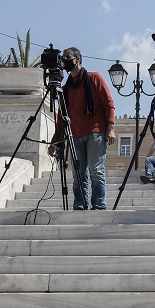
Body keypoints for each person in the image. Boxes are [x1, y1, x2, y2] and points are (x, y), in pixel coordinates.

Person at [47, 47, 116, 210]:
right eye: (63, 57)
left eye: (68, 57)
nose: (64, 60)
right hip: (75, 136)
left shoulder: (94, 78)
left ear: (78, 59)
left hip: (96, 133)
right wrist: (54, 141)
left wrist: (110, 128)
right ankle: (80, 206)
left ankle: (98, 206)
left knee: (96, 171)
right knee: (78, 176)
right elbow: (61, 117)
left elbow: (109, 104)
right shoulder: (65, 89)